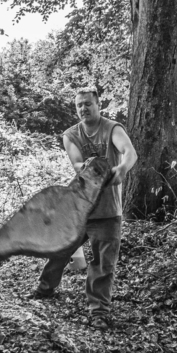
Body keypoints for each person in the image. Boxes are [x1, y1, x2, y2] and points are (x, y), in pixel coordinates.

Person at [26, 87, 137, 330]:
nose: (83, 108)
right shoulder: (71, 134)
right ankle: (45, 290)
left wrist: (122, 169)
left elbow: (130, 152)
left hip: (108, 211)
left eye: (88, 103)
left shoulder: (112, 128)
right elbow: (78, 164)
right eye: (79, 105)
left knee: (103, 265)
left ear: (98, 105)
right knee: (59, 251)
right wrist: (88, 166)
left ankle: (99, 311)